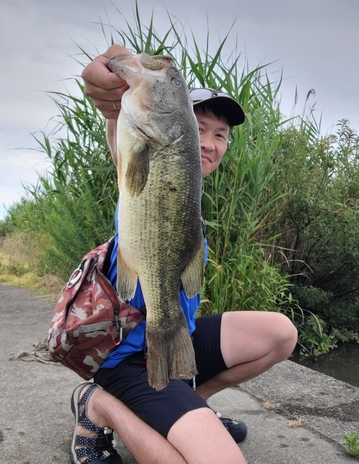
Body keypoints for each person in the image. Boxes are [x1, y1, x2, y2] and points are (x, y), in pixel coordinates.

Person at [69, 44, 298, 464]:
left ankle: (194, 403)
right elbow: (114, 109)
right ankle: (96, 405)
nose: (209, 142)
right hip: (128, 355)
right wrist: (112, 87)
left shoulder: (190, 190)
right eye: (200, 126)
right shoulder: (142, 154)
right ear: (180, 124)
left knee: (281, 333)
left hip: (176, 336)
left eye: (221, 134)